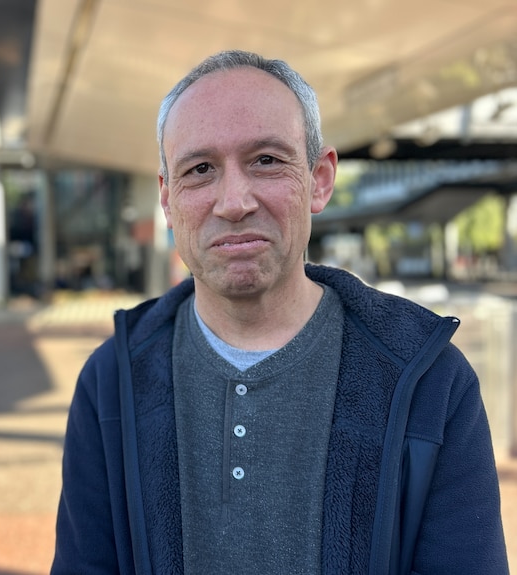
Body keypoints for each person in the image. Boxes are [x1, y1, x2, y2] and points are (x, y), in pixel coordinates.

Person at [51, 50, 508, 574]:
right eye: (200, 170)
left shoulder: (430, 381)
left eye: (266, 160)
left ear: (319, 179)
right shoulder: (112, 383)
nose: (234, 202)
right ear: (168, 199)